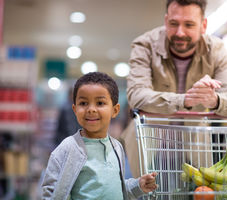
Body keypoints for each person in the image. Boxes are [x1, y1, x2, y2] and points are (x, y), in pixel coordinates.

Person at [121, 0, 227, 178]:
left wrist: (215, 100)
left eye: (189, 25)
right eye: (173, 23)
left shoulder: (216, 49)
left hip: (195, 149)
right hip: (146, 148)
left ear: (203, 25)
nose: (180, 32)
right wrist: (184, 100)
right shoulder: (144, 45)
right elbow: (136, 95)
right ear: (166, 21)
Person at [41, 72, 158, 200]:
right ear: (75, 110)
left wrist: (138, 185)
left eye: (100, 103)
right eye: (83, 103)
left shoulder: (117, 147)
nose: (91, 109)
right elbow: (51, 193)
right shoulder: (68, 148)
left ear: (115, 110)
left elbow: (115, 187)